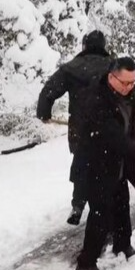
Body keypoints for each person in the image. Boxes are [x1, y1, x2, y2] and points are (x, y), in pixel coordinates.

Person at [72, 57, 135, 270]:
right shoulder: (96, 99)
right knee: (100, 213)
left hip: (118, 164)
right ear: (112, 77)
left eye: (133, 82)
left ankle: (123, 245)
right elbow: (117, 140)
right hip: (96, 164)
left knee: (122, 204)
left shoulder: (126, 90)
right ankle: (86, 264)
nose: (130, 87)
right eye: (125, 83)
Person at [37, 30, 114, 225]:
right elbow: (127, 92)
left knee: (83, 163)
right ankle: (105, 209)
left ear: (85, 46)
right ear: (103, 46)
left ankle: (78, 204)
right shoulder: (113, 66)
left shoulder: (70, 68)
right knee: (106, 167)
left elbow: (49, 89)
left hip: (80, 129)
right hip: (107, 128)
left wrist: (44, 112)